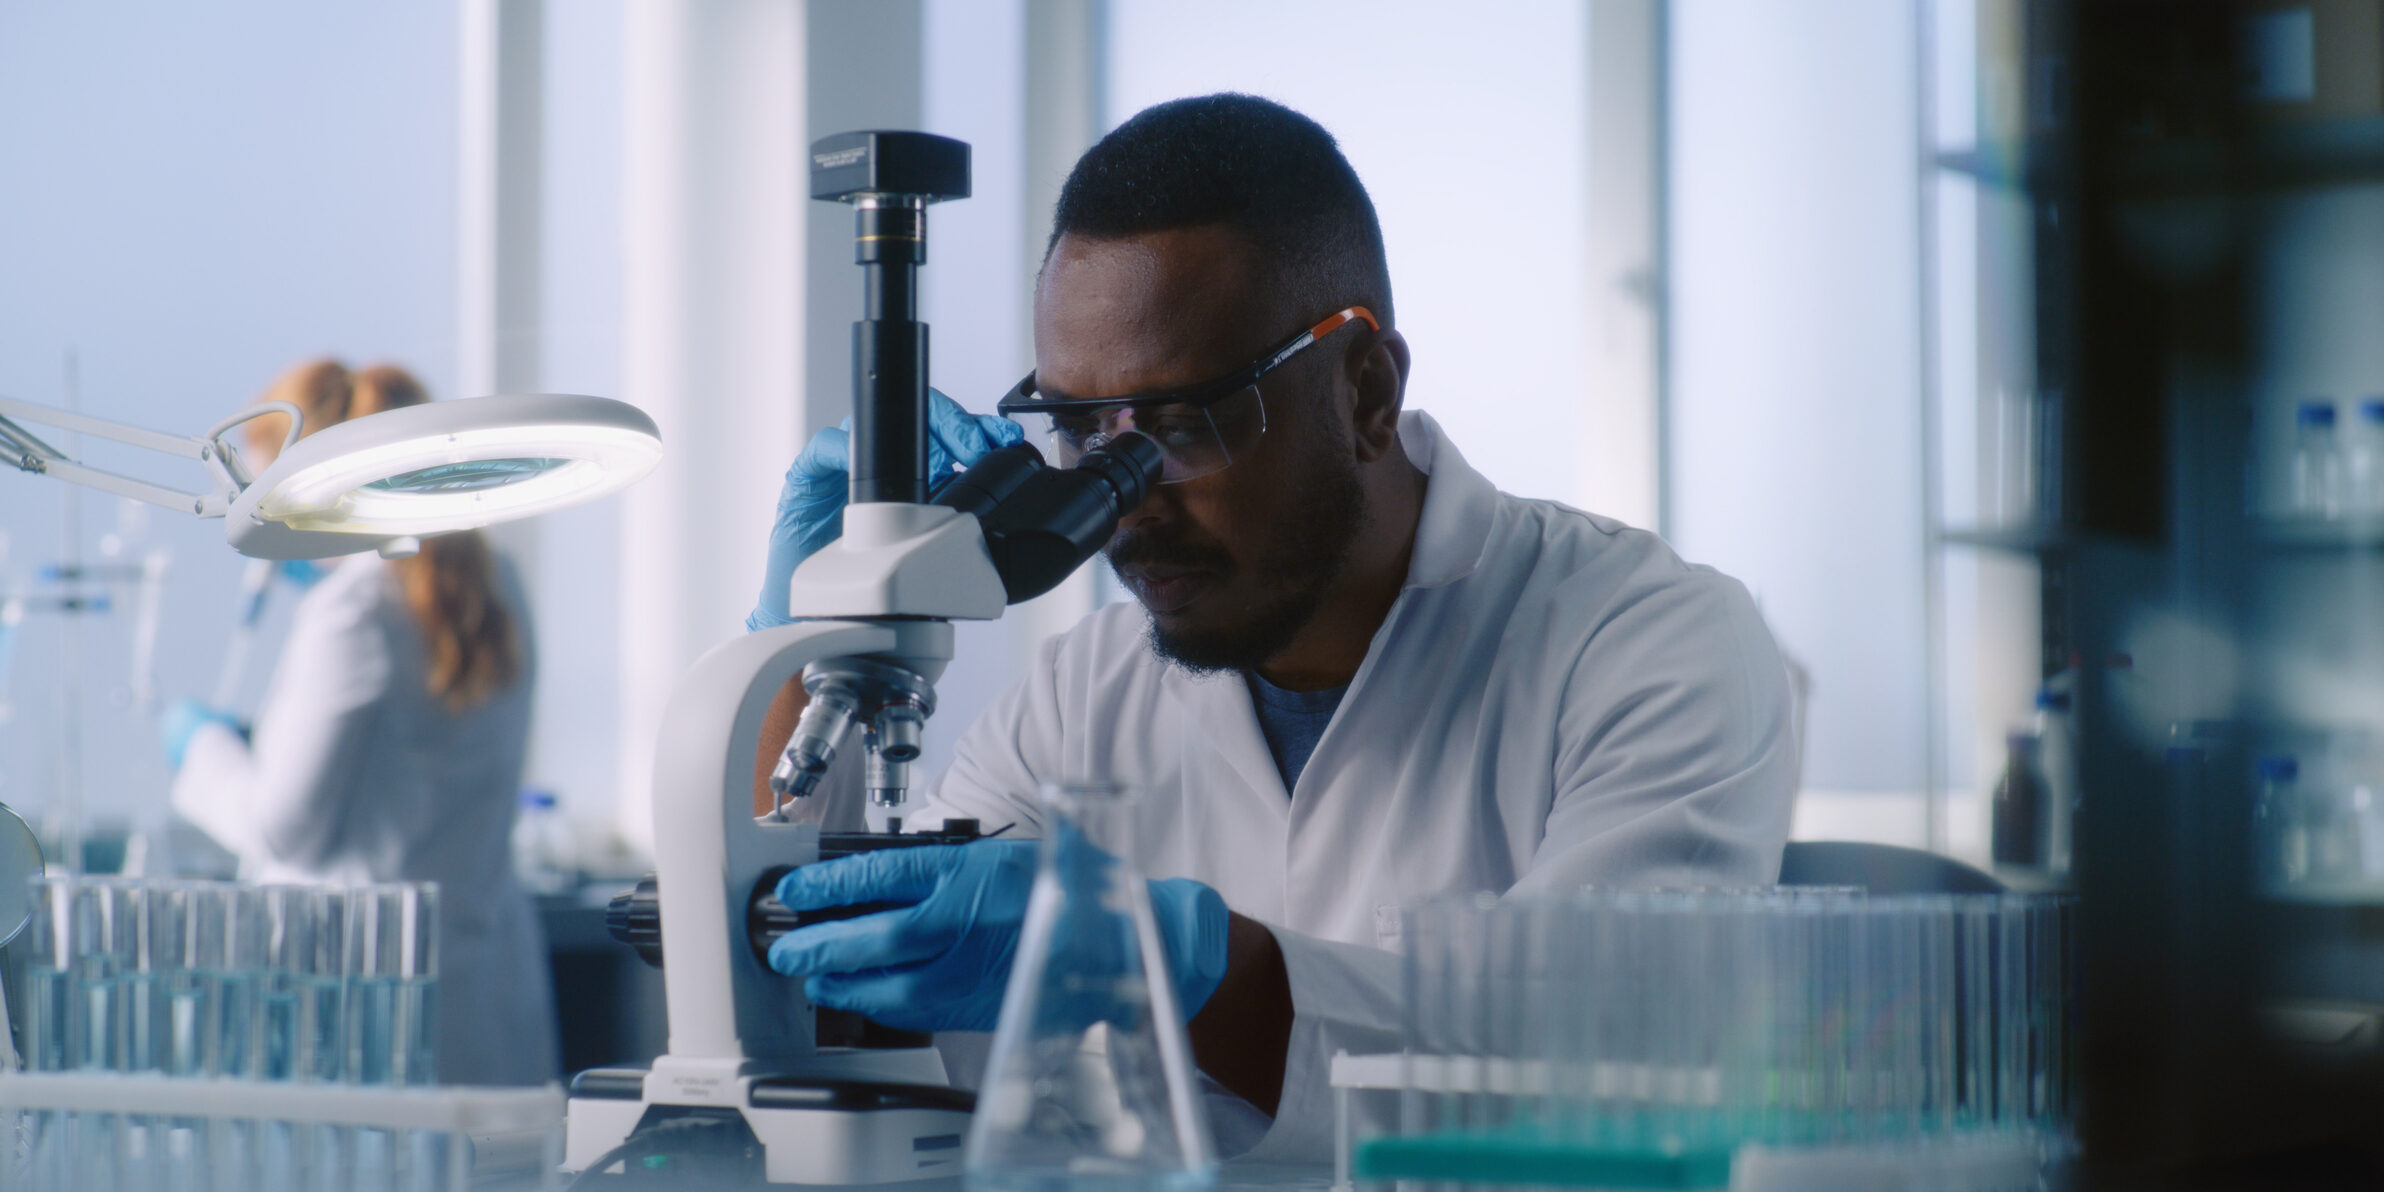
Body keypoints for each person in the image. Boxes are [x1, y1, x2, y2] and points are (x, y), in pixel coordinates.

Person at [747, 94, 1798, 1157]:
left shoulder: (1648, 643)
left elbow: (1592, 1079)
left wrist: (1186, 970)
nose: (1127, 500)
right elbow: (825, 955)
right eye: (1078, 429)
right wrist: (802, 639)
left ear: (1366, 391)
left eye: (1181, 422)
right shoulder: (1083, 693)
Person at [162, 360, 560, 1087]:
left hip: (365, 1008)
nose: (256, 525)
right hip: (482, 995)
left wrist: (202, 747)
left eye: (260, 496)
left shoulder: (354, 611)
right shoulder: (498, 582)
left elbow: (284, 829)